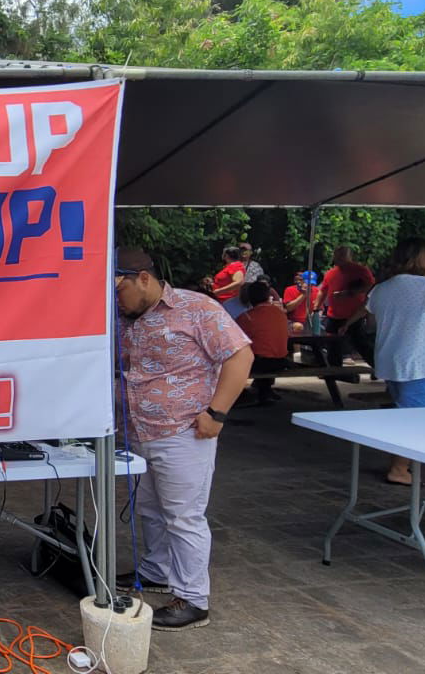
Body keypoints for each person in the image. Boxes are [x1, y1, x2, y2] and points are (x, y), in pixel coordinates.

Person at [113, 247, 252, 631]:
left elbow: (240, 357)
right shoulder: (126, 316)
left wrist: (217, 413)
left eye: (119, 289)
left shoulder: (197, 309)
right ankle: (155, 570)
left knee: (183, 516)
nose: (115, 299)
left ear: (143, 278)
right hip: (139, 432)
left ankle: (193, 599)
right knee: (150, 509)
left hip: (185, 431)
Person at [347, 238, 425, 486]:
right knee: (414, 419)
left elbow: (372, 322)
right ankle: (400, 469)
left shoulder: (381, 289)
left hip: (391, 360)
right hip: (422, 361)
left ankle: (402, 462)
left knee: (403, 411)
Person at [318, 246, 375, 364]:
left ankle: (377, 366)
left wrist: (350, 292)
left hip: (354, 314)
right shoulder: (330, 273)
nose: (339, 258)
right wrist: (316, 306)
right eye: (337, 255)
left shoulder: (360, 270)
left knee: (360, 343)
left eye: (342, 255)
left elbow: (371, 286)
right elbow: (323, 290)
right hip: (334, 315)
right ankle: (334, 372)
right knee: (333, 345)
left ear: (349, 256)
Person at [235, 281, 289, 404]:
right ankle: (264, 391)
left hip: (260, 363)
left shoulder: (246, 317)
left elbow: (235, 339)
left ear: (249, 298)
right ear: (266, 296)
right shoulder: (280, 314)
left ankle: (238, 393)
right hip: (282, 361)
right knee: (264, 352)